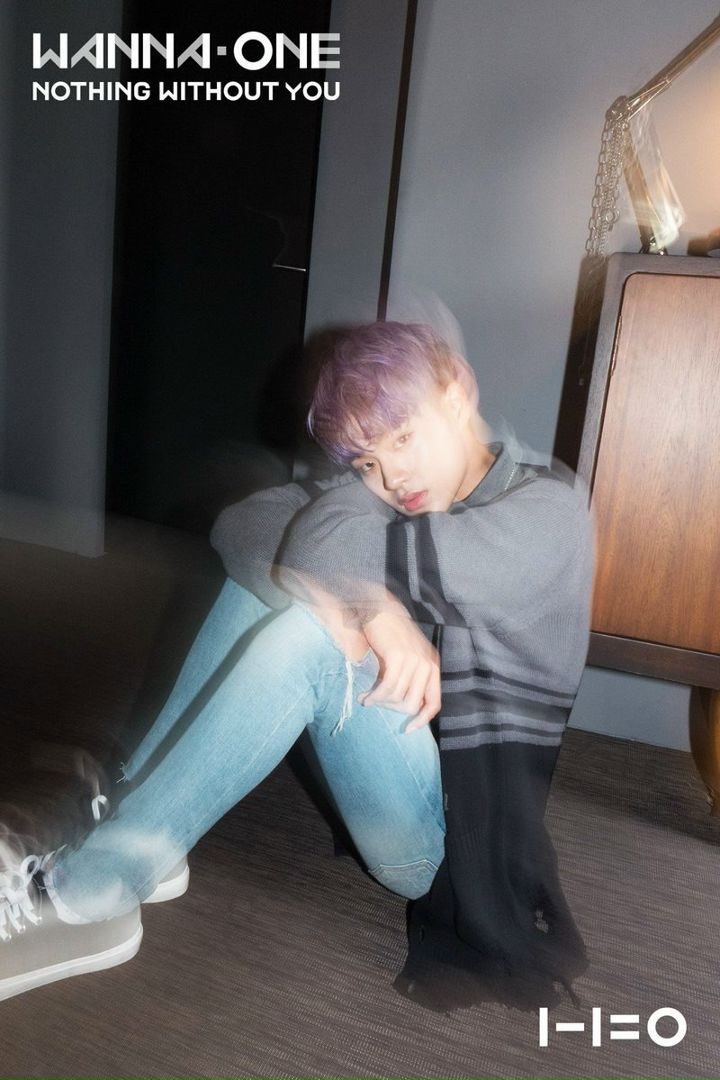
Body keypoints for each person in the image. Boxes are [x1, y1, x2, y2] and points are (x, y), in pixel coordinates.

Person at [0, 322, 593, 1007]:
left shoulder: (548, 513)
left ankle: (87, 896)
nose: (392, 477)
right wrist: (376, 611)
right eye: (366, 463)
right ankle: (138, 820)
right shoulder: (395, 489)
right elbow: (241, 527)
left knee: (313, 623)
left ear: (457, 393)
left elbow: (328, 548)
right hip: (393, 763)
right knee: (278, 585)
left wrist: (350, 595)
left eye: (405, 438)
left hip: (453, 844)